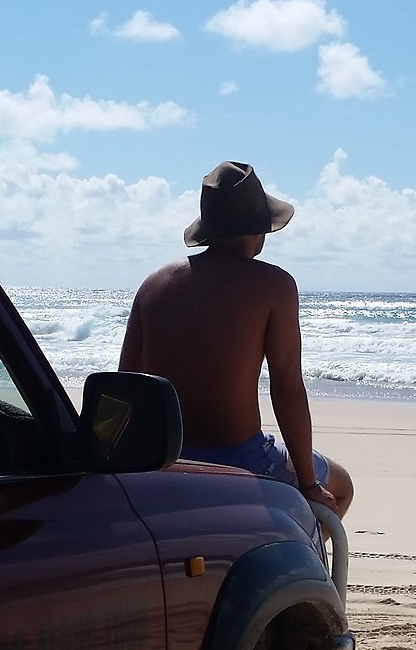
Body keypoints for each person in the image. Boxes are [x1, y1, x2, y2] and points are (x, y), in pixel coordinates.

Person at [120, 161, 354, 516]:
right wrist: (308, 484)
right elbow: (287, 387)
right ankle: (302, 559)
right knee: (342, 484)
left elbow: (126, 384)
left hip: (163, 454)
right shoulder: (273, 285)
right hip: (240, 456)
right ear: (258, 228)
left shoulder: (155, 283)